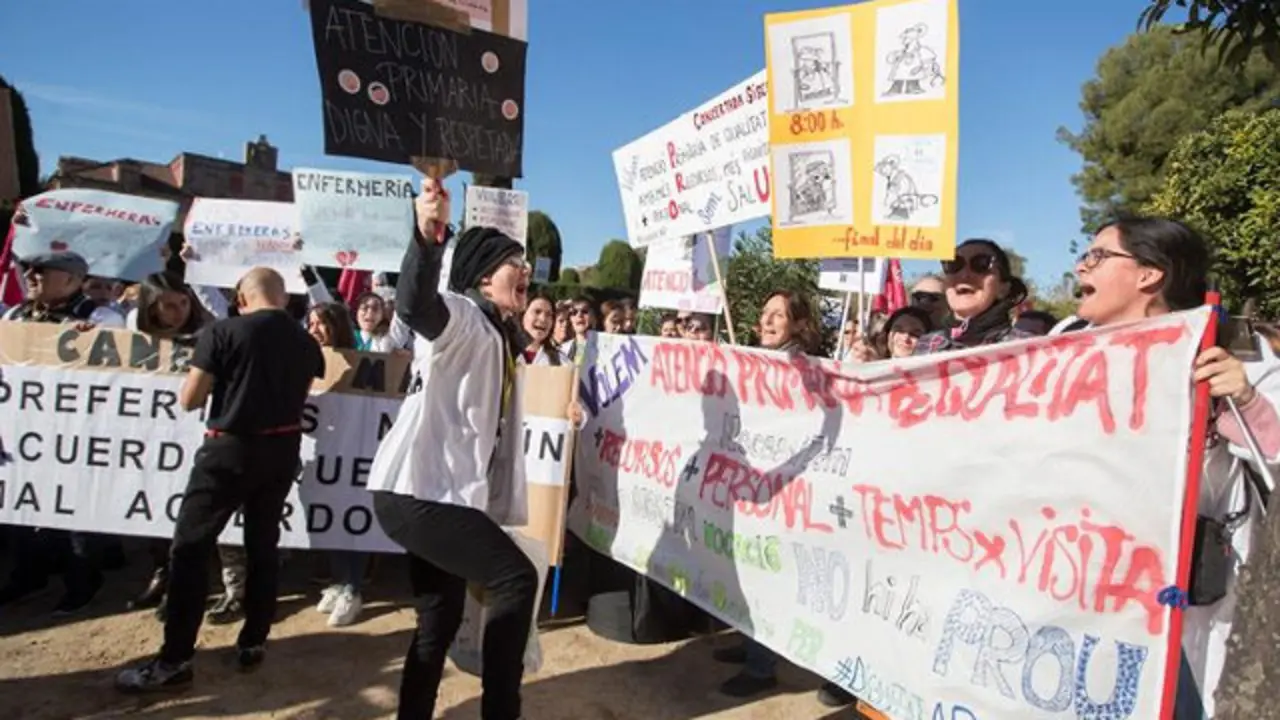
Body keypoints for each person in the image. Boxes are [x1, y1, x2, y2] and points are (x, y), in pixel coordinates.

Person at [1052, 216, 1280, 718]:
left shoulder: (1233, 349)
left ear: (1148, 274)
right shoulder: (1065, 340)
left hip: (1177, 590)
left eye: (1096, 256)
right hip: (1074, 574)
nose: (1080, 266)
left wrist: (1244, 401)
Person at [368, 177, 539, 720]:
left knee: (437, 619)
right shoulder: (465, 318)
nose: (529, 274)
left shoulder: (497, 335)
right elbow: (417, 305)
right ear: (485, 277)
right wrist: (427, 236)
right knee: (515, 578)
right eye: (518, 263)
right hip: (420, 492)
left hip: (431, 495)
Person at [115, 267, 325, 692]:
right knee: (263, 545)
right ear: (283, 299)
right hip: (283, 450)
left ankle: (175, 658)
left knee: (190, 549)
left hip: (229, 450)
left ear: (242, 299)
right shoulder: (306, 342)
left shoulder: (224, 332)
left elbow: (191, 398)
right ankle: (253, 641)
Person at [0, 251, 124, 615]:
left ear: (72, 281)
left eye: (42, 271)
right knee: (23, 503)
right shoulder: (16, 316)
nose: (32, 276)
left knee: (75, 511)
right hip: (26, 430)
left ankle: (82, 580)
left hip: (77, 433)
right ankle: (29, 575)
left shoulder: (101, 318)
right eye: (30, 271)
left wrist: (92, 342)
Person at [914, 239, 1031, 355]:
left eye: (981, 264)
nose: (964, 275)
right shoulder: (926, 346)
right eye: (954, 264)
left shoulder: (1026, 350)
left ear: (1004, 288)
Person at [520, 294, 563, 366]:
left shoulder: (562, 362)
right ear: (523, 315)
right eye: (537, 312)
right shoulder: (504, 353)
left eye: (549, 314)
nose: (543, 319)